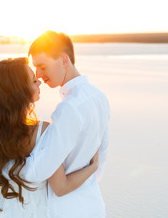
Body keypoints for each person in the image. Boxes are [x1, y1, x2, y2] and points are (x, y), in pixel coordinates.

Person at [0, 57, 99, 218]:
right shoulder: (44, 131)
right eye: (34, 81)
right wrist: (93, 167)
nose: (40, 83)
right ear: (20, 92)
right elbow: (61, 187)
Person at [22, 30, 110, 218]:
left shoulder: (68, 109)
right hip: (93, 203)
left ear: (63, 60)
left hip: (66, 209)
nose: (38, 75)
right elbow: (101, 155)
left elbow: (39, 172)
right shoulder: (99, 96)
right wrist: (91, 171)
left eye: (42, 66)